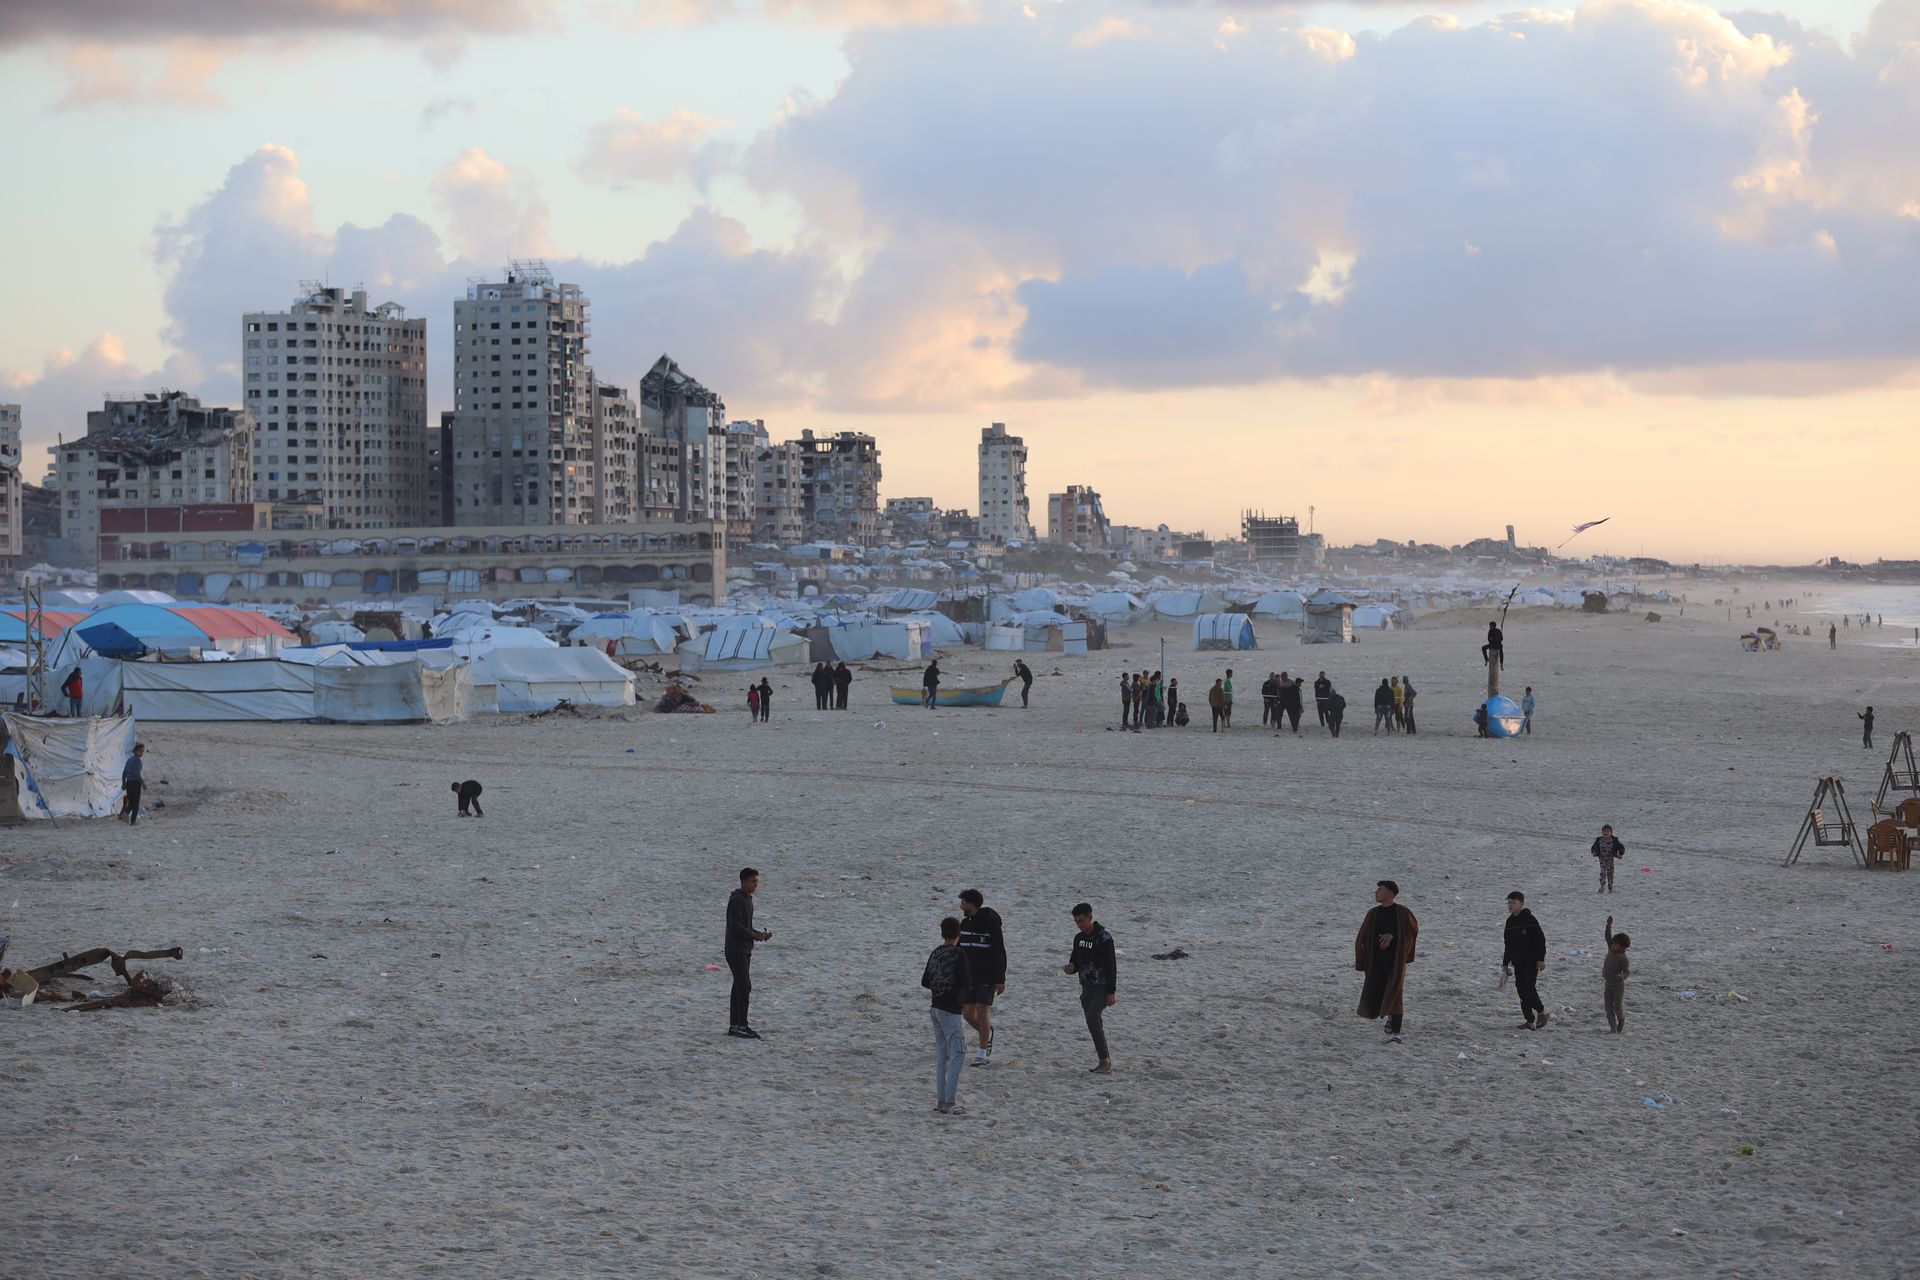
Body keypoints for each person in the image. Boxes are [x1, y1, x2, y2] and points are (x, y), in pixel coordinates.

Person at [1355, 880, 1418, 1041]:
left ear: (1390, 893)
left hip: (1395, 962)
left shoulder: (1403, 913)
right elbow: (1364, 935)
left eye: (1380, 890)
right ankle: (1390, 1018)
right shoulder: (1373, 913)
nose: (1376, 892)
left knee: (1396, 993)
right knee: (1380, 991)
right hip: (1376, 962)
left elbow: (1411, 932)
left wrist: (1393, 937)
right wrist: (1377, 942)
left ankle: (1396, 1035)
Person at [922, 916, 973, 1115]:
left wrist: (940, 984)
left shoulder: (935, 953)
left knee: (942, 1056)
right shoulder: (959, 954)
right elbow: (967, 982)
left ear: (942, 933)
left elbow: (925, 981)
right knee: (958, 1053)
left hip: (935, 1007)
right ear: (959, 935)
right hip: (950, 1010)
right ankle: (950, 1102)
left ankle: (941, 1100)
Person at [1063, 902, 1117, 1074]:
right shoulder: (1078, 939)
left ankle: (1105, 1062)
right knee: (1093, 1023)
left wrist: (1111, 992)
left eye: (1082, 921)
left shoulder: (1104, 938)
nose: (1079, 924)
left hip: (1102, 986)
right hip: (1086, 987)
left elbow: (1111, 966)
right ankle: (1104, 1060)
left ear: (1090, 917)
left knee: (1092, 1018)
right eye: (1076, 921)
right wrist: (1070, 969)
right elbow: (1076, 962)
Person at [957, 889, 1007, 1064]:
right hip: (968, 977)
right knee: (968, 1014)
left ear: (972, 904)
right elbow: (959, 951)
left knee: (981, 1009)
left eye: (963, 902)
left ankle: (982, 1053)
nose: (961, 905)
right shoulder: (964, 924)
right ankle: (988, 1033)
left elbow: (999, 951)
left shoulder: (990, 923)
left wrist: (1000, 979)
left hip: (987, 976)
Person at [726, 867, 773, 1038]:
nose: (755, 885)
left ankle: (735, 1025)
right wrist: (752, 934)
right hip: (735, 949)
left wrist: (759, 935)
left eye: (757, 882)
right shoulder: (737, 900)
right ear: (743, 881)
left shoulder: (748, 900)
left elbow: (746, 927)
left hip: (745, 949)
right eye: (753, 881)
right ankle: (741, 1025)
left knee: (739, 986)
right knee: (745, 985)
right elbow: (734, 926)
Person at [1502, 891, 1548, 1030]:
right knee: (1521, 990)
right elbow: (1508, 945)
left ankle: (1541, 1012)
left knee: (1528, 987)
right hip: (1518, 962)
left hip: (1532, 961)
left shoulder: (1529, 919)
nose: (1510, 905)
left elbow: (1540, 939)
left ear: (1521, 904)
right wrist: (1505, 964)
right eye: (1509, 902)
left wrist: (1541, 958)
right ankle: (1530, 1021)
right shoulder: (1509, 922)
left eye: (1514, 902)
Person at [1602, 915, 1631, 1033]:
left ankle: (1621, 1020)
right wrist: (1608, 925)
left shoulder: (1623, 958)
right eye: (1612, 943)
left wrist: (1622, 976)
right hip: (1608, 984)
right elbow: (1607, 937)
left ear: (1622, 947)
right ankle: (1613, 1029)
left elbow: (1627, 972)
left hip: (1618, 986)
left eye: (1615, 944)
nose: (1612, 945)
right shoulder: (1610, 949)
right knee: (1608, 1008)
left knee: (1617, 1008)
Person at [1591, 824, 1625, 893]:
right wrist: (1594, 852)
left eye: (1607, 831)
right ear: (1602, 832)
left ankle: (1610, 887)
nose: (1605, 833)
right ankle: (1602, 886)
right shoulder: (1599, 840)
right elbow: (1594, 847)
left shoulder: (1614, 840)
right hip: (1602, 859)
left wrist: (1620, 854)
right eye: (1604, 831)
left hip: (1610, 860)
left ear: (1611, 833)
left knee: (1610, 873)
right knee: (1603, 872)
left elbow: (1621, 847)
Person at [120, 742, 146, 825]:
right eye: (140, 751)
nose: (141, 753)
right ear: (135, 751)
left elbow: (124, 772)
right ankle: (133, 822)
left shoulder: (129, 760)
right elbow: (136, 774)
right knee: (136, 805)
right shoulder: (138, 761)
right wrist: (143, 783)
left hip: (129, 783)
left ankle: (125, 814)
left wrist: (123, 783)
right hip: (135, 784)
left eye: (142, 751)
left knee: (131, 802)